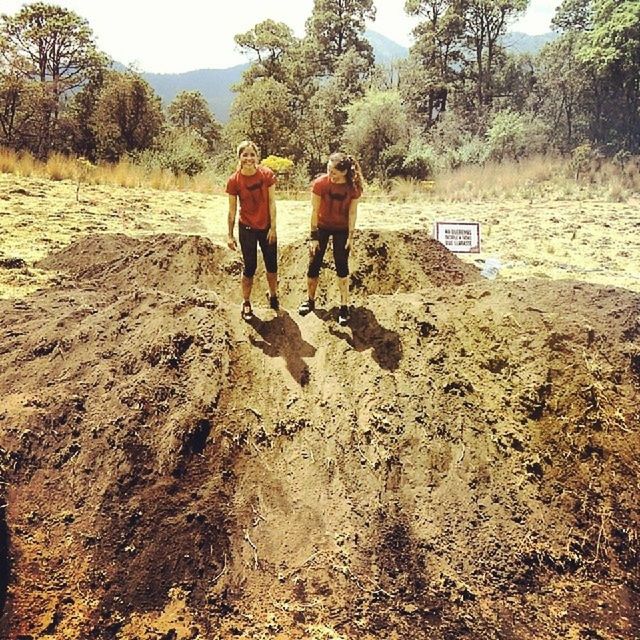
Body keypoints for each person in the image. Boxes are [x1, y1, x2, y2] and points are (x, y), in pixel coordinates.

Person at [298, 152, 363, 326]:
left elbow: (352, 212)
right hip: (322, 227)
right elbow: (314, 210)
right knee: (314, 264)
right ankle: (310, 301)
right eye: (328, 170)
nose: (330, 175)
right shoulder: (320, 184)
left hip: (341, 229)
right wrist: (313, 236)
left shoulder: (353, 187)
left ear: (343, 172)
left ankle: (344, 306)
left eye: (334, 172)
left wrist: (350, 236)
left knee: (342, 265)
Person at [226, 140, 278, 321]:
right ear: (239, 157)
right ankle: (246, 302)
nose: (249, 158)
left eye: (252, 154)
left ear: (257, 156)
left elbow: (272, 202)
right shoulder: (234, 180)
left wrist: (273, 227)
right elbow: (232, 210)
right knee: (250, 267)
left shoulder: (267, 175)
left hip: (266, 227)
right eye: (245, 154)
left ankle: (273, 295)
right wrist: (230, 235)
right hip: (246, 227)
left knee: (272, 265)